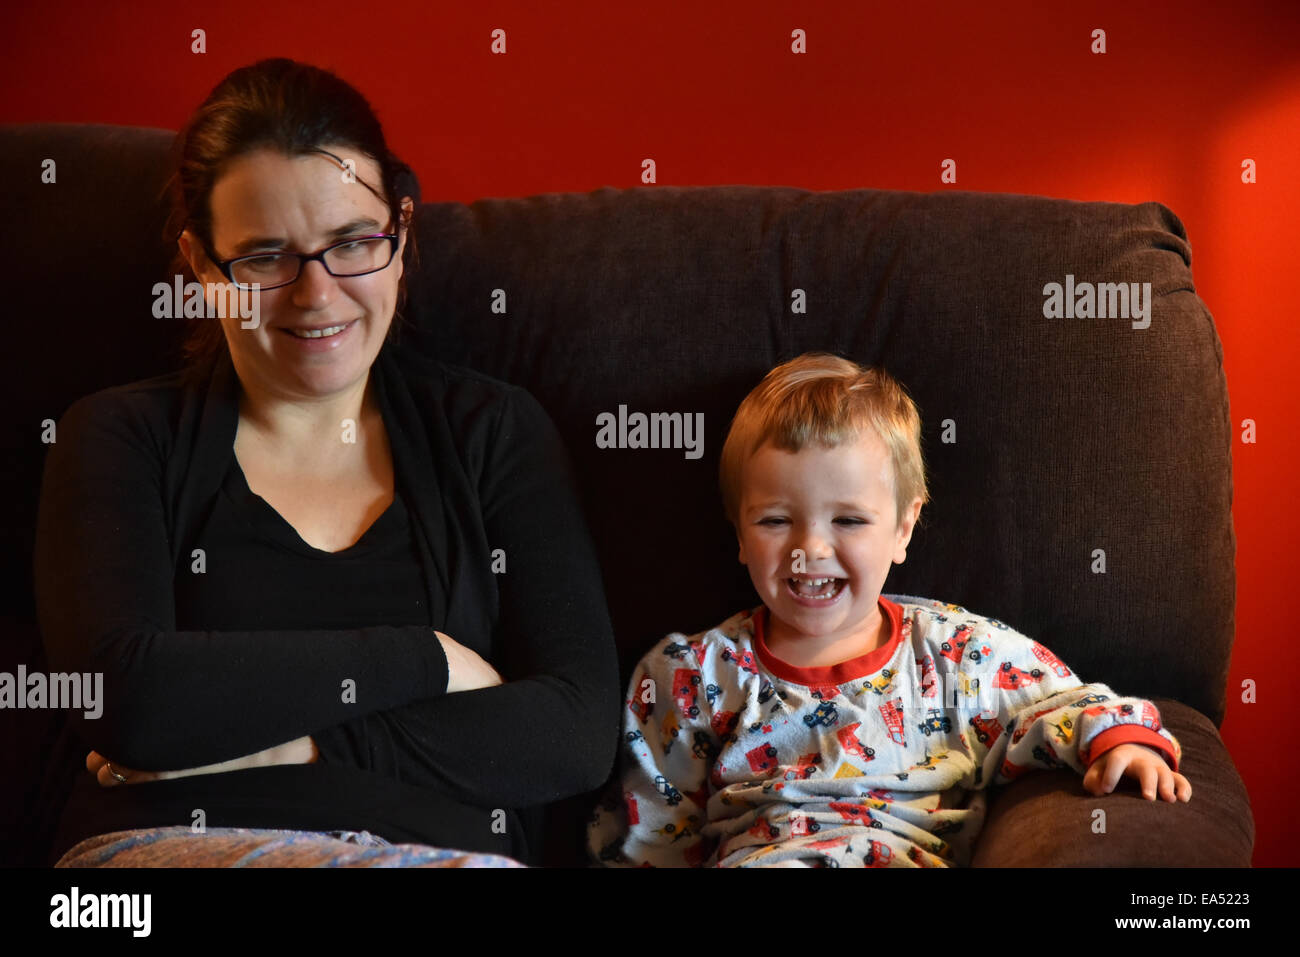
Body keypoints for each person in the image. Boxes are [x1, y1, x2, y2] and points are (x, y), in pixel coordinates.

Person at [35, 58, 619, 867]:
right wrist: (430, 658)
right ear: (204, 266)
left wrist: (288, 746)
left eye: (352, 243)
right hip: (158, 854)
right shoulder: (119, 437)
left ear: (402, 236)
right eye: (266, 258)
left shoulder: (494, 434)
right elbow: (125, 697)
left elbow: (573, 732)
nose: (317, 296)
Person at [587, 353, 1191, 867]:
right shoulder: (690, 677)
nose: (810, 550)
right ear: (739, 534)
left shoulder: (960, 657)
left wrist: (1120, 741)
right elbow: (651, 840)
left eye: (848, 520)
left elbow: (1061, 703)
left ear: (904, 527)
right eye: (775, 520)